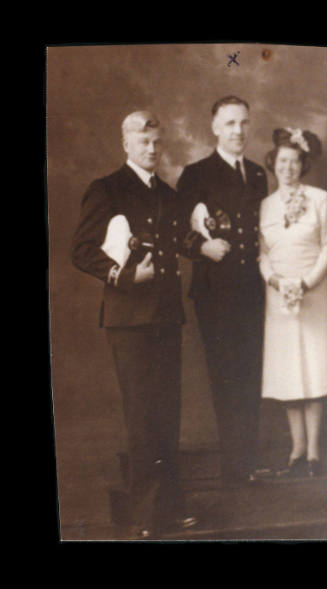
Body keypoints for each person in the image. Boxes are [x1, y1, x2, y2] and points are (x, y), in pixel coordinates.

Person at [71, 111, 198, 538]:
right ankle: (147, 513)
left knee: (167, 414)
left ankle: (172, 504)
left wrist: (206, 240)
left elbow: (181, 238)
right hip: (129, 320)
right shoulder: (106, 190)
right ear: (125, 143)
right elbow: (83, 250)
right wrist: (124, 276)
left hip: (165, 314)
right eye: (143, 142)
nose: (151, 149)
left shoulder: (167, 192)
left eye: (157, 142)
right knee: (142, 416)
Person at [177, 96, 268, 485]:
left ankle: (249, 461)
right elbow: (177, 230)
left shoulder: (260, 173)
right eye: (230, 123)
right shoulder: (196, 173)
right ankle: (234, 467)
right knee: (226, 374)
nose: (238, 131)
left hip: (254, 289)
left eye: (244, 123)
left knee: (251, 373)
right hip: (216, 292)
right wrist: (202, 247)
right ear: (214, 128)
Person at [259, 128, 327, 478]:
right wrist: (275, 281)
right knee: (289, 370)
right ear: (273, 164)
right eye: (282, 161)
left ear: (302, 164)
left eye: (294, 161)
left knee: (315, 366)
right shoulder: (265, 206)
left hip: (314, 294)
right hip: (278, 297)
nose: (288, 168)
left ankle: (316, 451)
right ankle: (297, 448)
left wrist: (307, 283)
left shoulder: (320, 199)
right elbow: (262, 254)